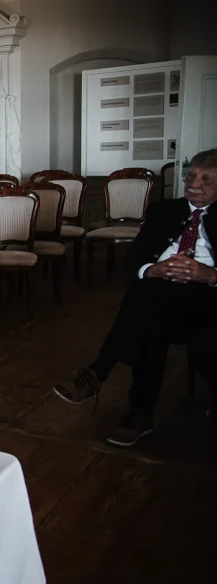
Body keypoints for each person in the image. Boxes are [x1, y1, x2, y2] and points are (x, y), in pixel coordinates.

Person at [53, 149, 217, 447]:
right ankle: (138, 413)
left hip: (205, 297)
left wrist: (208, 274)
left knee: (146, 309)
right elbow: (134, 261)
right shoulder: (164, 211)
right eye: (191, 175)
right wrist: (153, 268)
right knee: (151, 306)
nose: (195, 183)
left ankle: (105, 379)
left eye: (206, 179)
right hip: (161, 288)